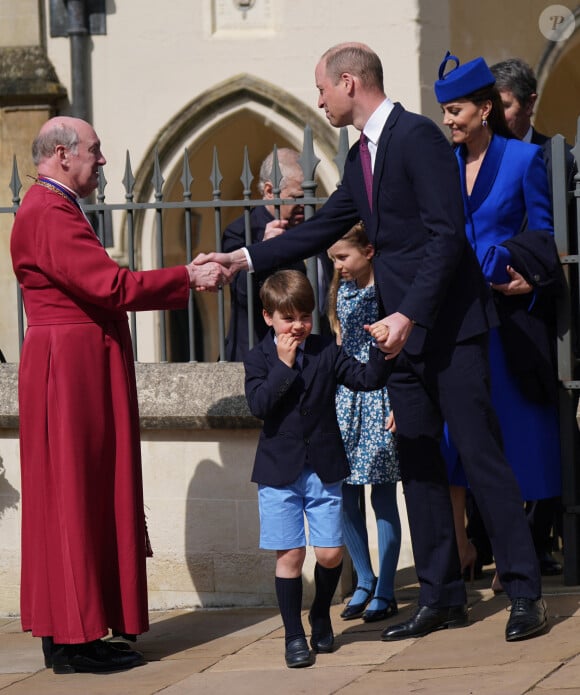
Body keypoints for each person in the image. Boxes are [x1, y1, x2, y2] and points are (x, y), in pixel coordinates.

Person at [195, 42, 548, 643]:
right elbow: (326, 226)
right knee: (418, 463)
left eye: (322, 88)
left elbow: (447, 239)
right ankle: (441, 597)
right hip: (400, 336)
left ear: (349, 83)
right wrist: (242, 256)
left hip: (451, 329)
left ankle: (525, 594)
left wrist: (409, 313)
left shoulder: (419, 138)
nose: (319, 99)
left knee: (481, 459)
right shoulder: (362, 155)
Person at [10, 116, 229, 674]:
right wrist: (187, 276)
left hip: (81, 362)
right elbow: (109, 285)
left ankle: (80, 629)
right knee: (73, 496)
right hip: (70, 370)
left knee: (87, 493)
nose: (102, 161)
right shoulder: (47, 211)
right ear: (63, 154)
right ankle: (72, 637)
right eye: (95, 151)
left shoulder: (54, 207)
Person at [435, 53, 563, 593]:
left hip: (507, 323)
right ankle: (468, 550)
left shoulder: (523, 160)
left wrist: (528, 278)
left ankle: (523, 562)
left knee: (513, 445)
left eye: (456, 110)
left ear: (485, 109)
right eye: (443, 111)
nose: (448, 121)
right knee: (456, 447)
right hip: (453, 324)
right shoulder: (440, 165)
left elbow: (545, 235)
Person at [244, 269, 391, 668]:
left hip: (324, 468)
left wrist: (381, 347)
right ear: (268, 317)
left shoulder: (327, 350)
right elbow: (259, 406)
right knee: (290, 556)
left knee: (329, 554)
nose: (298, 325)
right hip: (278, 473)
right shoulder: (259, 357)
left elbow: (365, 379)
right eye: (288, 317)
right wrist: (285, 364)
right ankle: (294, 637)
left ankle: (320, 612)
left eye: (305, 316)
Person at [326, 222, 401, 623]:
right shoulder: (343, 290)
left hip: (382, 396)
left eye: (343, 257)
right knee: (345, 495)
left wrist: (401, 403)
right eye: (334, 259)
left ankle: (386, 588)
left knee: (382, 495)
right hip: (346, 400)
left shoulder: (388, 289)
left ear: (368, 251)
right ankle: (364, 580)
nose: (337, 266)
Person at [222, 148, 333, 361]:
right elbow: (242, 294)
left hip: (315, 353)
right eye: (296, 197)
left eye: (310, 195)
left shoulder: (315, 224)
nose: (305, 203)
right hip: (263, 356)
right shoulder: (242, 231)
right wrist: (264, 250)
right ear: (269, 190)